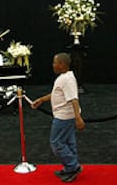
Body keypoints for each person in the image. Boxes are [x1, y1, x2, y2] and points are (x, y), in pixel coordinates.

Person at [31, 52, 85, 183]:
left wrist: (78, 118)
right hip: (66, 116)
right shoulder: (64, 77)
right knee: (68, 142)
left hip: (64, 118)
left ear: (62, 64)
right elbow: (57, 93)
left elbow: (73, 99)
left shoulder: (66, 79)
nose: (53, 65)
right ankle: (70, 168)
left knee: (56, 143)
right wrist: (42, 100)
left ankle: (73, 166)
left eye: (55, 62)